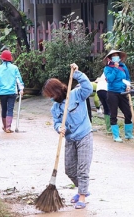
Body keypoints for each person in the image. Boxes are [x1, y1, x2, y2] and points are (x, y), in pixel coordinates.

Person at [42, 63, 93, 210]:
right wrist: (59, 128)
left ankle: (82, 196)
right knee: (70, 169)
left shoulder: (76, 94)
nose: (51, 98)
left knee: (82, 168)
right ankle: (83, 189)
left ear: (57, 90)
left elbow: (88, 87)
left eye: (51, 95)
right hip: (70, 139)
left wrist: (77, 74)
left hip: (84, 136)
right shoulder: (55, 108)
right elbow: (56, 122)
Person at [0, 50, 24, 133]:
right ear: (10, 59)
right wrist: (21, 89)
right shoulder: (14, 68)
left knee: (4, 109)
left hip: (2, 92)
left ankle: (5, 126)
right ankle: (8, 127)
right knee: (10, 109)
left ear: (2, 59)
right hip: (12, 92)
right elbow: (18, 79)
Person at [103, 49, 133, 142]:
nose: (116, 57)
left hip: (123, 92)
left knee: (128, 113)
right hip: (112, 93)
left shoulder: (123, 66)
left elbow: (127, 78)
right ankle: (116, 136)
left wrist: (128, 85)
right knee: (114, 114)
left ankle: (128, 135)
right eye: (113, 56)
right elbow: (110, 79)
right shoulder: (107, 68)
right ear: (110, 58)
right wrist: (115, 69)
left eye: (117, 56)